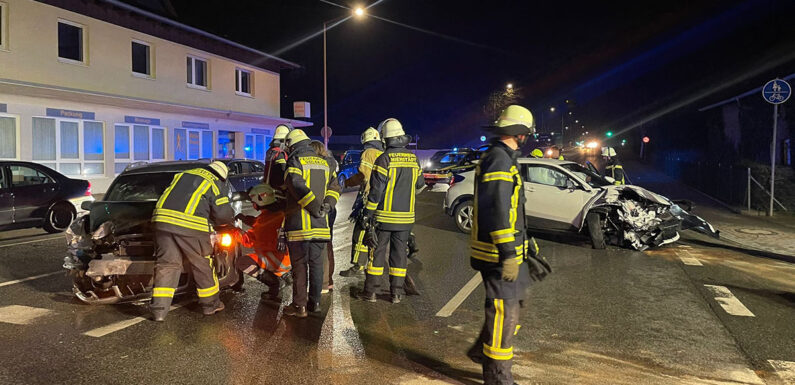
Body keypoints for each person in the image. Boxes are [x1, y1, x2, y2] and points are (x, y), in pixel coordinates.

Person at [467, 105, 535, 384]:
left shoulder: (504, 157)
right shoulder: (499, 159)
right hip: (496, 252)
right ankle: (497, 376)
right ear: (519, 134)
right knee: (504, 311)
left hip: (507, 250)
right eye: (526, 134)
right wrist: (508, 252)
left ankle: (481, 352)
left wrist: (526, 243)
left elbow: (513, 209)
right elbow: (497, 208)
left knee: (516, 303)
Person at [150, 161, 236, 321]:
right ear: (223, 176)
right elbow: (223, 214)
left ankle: (159, 311)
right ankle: (210, 305)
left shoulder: (183, 175)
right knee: (201, 263)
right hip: (190, 226)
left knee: (167, 265)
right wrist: (229, 222)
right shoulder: (215, 182)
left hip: (161, 222)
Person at [358, 118, 424, 304]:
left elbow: (376, 193)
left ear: (385, 140)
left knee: (376, 253)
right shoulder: (414, 159)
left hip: (384, 218)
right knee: (399, 254)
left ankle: (371, 292)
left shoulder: (384, 159)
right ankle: (396, 293)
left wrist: (367, 215)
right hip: (406, 219)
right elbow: (420, 185)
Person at [282, 129, 341, 317]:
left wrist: (314, 206)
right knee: (316, 265)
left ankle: (299, 306)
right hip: (320, 225)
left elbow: (295, 184)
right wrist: (327, 206)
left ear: (292, 145)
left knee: (299, 266)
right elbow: (334, 187)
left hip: (299, 225)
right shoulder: (324, 162)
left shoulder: (295, 160)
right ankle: (314, 303)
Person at [234, 183, 291, 304]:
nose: (252, 204)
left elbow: (248, 240)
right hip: (288, 259)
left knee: (243, 262)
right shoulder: (279, 215)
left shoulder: (264, 224)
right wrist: (245, 218)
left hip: (278, 261)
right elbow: (259, 222)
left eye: (253, 201)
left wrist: (234, 231)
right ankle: (285, 275)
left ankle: (275, 283)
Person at [340, 127, 384, 277]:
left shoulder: (368, 153)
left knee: (360, 231)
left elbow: (363, 176)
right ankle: (372, 265)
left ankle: (358, 265)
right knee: (375, 233)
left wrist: (347, 182)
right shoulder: (382, 154)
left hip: (368, 197)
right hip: (382, 200)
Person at [309, 140, 338, 293]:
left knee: (317, 246)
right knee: (328, 244)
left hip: (317, 209)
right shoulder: (330, 164)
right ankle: (329, 281)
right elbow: (335, 187)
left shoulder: (315, 165)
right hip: (331, 208)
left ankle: (321, 282)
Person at [265, 124, 292, 189]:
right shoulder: (280, 153)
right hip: (278, 188)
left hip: (269, 186)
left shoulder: (271, 151)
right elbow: (281, 172)